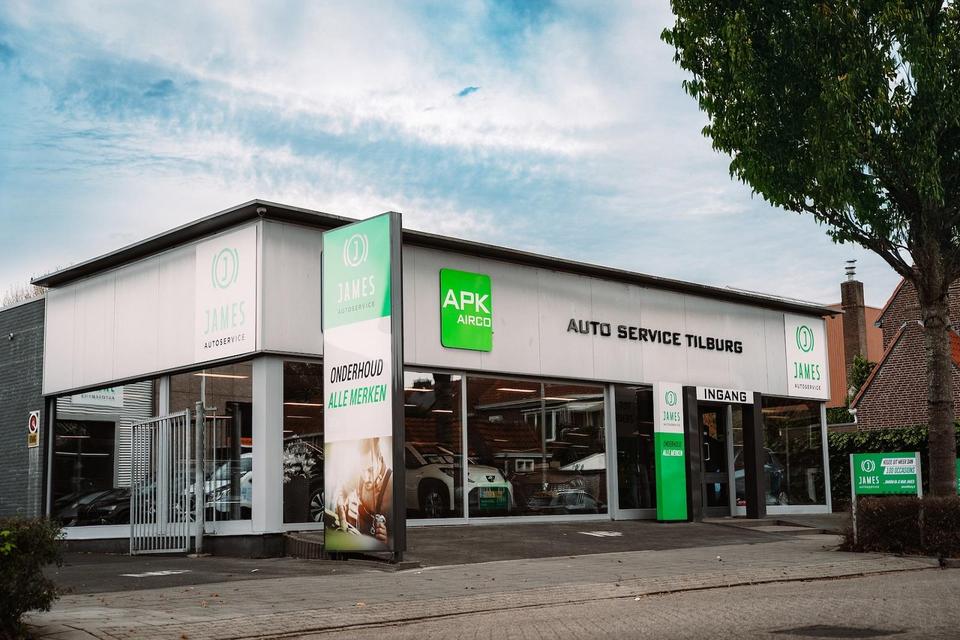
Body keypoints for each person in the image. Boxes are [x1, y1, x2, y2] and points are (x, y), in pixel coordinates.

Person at [335, 437, 392, 544]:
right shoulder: (358, 474)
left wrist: (387, 540)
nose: (366, 478)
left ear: (380, 459)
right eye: (362, 470)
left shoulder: (392, 485)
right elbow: (342, 491)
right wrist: (341, 509)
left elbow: (401, 535)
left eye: (371, 470)